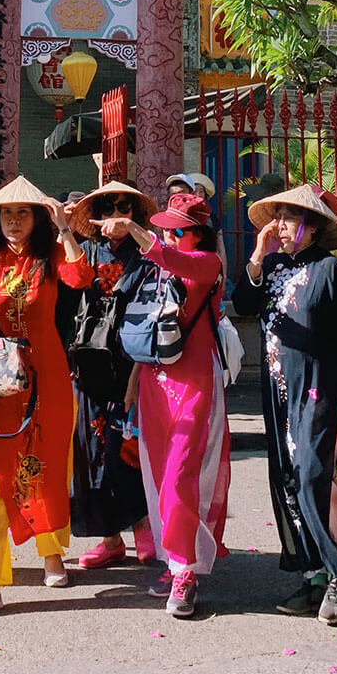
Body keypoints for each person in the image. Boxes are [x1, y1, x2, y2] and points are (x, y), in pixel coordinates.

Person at [233, 184, 337, 626]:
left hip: (322, 388)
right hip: (279, 391)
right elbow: (243, 303)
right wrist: (258, 258)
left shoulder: (332, 272)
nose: (278, 225)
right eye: (276, 215)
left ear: (312, 226)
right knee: (286, 479)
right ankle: (313, 572)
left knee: (310, 478)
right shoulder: (273, 266)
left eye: (287, 217)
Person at [0, 176, 92, 615]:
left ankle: (51, 553)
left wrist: (65, 228)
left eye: (22, 213)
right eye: (6, 213)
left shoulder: (50, 257)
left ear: (36, 219)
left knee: (44, 466)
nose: (13, 220)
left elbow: (80, 277)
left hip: (47, 378)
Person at [96, 189, 230, 619]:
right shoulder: (156, 265)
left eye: (179, 232)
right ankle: (175, 562)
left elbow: (175, 262)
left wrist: (137, 231)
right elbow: (143, 326)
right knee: (157, 477)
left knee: (178, 477)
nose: (171, 239)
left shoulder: (207, 265)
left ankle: (186, 572)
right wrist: (134, 380)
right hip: (155, 381)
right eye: (168, 232)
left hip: (194, 383)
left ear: (198, 234)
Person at [65, 180, 158, 569]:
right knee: (91, 451)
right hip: (89, 363)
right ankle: (109, 538)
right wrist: (62, 228)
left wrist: (139, 374)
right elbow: (71, 284)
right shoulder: (85, 250)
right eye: (108, 208)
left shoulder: (148, 254)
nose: (116, 216)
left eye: (125, 208)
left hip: (129, 363)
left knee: (129, 450)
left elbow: (155, 314)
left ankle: (143, 527)